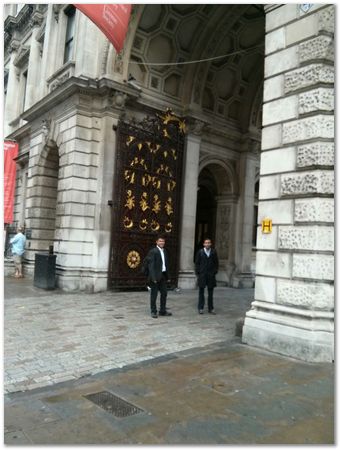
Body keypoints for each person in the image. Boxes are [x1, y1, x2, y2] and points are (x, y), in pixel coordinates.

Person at [145, 236, 172, 318]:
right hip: (155, 276)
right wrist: (153, 278)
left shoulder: (165, 251)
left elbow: (166, 264)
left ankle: (162, 311)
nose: (162, 243)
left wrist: (168, 276)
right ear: (156, 242)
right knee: (154, 294)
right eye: (160, 241)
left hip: (163, 275)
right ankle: (153, 311)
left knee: (164, 293)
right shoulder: (153, 251)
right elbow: (151, 266)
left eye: (163, 241)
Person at [195, 238, 219, 314]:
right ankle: (200, 308)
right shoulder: (200, 252)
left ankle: (211, 308)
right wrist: (199, 272)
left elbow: (216, 263)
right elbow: (197, 263)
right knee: (201, 292)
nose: (207, 244)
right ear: (204, 244)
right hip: (202, 275)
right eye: (206, 243)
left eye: (209, 243)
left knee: (210, 293)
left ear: (210, 244)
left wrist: (214, 272)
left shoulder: (213, 252)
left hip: (211, 275)